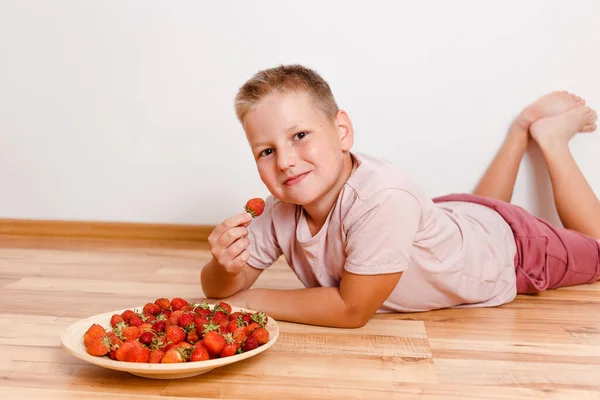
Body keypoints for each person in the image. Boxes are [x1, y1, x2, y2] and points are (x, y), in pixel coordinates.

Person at [200, 64, 600, 328]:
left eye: (300, 136)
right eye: (266, 151)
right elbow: (219, 291)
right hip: (459, 219)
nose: (285, 161)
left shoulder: (385, 197)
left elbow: (351, 309)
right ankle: (520, 129)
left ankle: (551, 140)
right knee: (475, 221)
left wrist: (247, 301)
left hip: (516, 250)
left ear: (342, 132)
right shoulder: (279, 209)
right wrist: (225, 265)